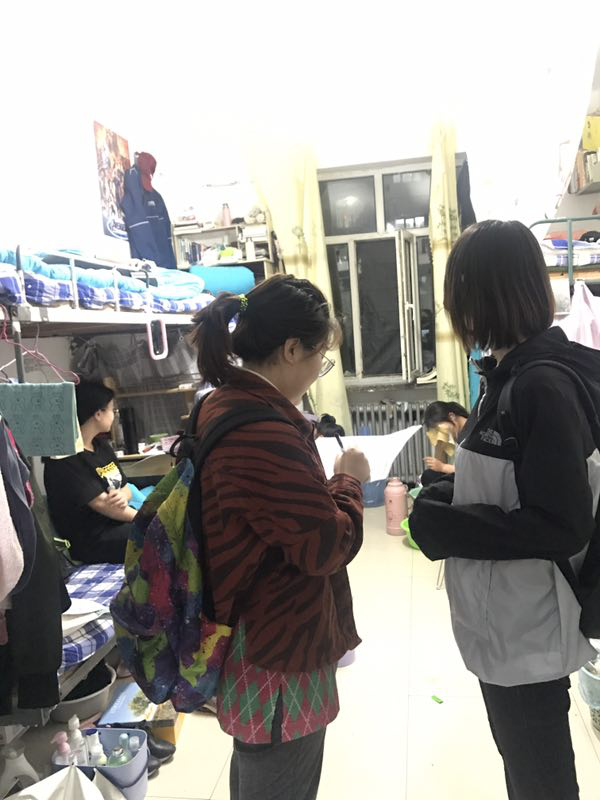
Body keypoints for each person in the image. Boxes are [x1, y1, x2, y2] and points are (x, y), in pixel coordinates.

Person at [410, 219, 600, 800]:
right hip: (512, 621)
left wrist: (448, 526)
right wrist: (452, 491)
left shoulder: (540, 384)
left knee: (540, 778)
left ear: (482, 297)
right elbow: (517, 483)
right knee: (527, 766)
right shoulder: (511, 373)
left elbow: (562, 523)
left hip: (527, 627)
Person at [190, 274, 370, 800]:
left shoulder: (225, 403)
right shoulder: (261, 431)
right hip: (278, 645)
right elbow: (325, 546)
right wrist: (348, 481)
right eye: (321, 357)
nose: (319, 369)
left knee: (259, 768)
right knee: (279, 774)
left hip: (254, 627)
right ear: (292, 349)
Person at [44, 380, 135, 564]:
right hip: (93, 540)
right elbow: (103, 505)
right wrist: (150, 520)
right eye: (112, 410)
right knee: (160, 534)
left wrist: (123, 496)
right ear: (98, 413)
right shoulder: (65, 458)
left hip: (116, 524)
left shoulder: (101, 446)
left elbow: (126, 487)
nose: (114, 415)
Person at [421, 400, 469, 484]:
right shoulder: (455, 432)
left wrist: (443, 467)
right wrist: (439, 445)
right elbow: (438, 471)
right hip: (460, 475)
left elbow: (473, 470)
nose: (438, 433)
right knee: (429, 475)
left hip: (472, 477)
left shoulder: (472, 431)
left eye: (438, 429)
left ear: (452, 416)